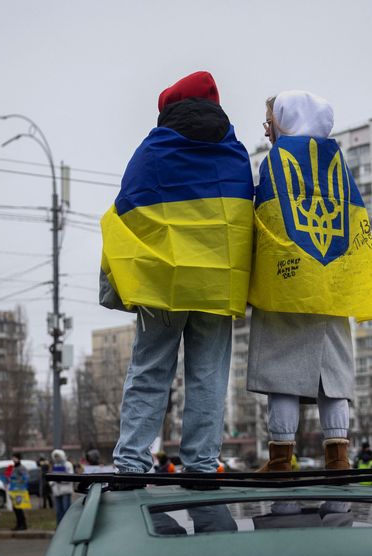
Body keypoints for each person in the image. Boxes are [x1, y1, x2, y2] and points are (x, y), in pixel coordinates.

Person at [104, 71, 255, 478]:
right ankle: (202, 464)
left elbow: (129, 209)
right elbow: (242, 219)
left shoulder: (153, 150)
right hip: (216, 284)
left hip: (163, 282)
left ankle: (133, 462)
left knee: (150, 370)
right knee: (208, 375)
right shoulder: (234, 151)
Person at [247, 91, 372, 473]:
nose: (266, 128)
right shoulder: (337, 160)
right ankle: (338, 457)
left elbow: (264, 219)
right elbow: (355, 223)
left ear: (286, 120)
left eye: (270, 120)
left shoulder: (276, 159)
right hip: (332, 285)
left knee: (282, 374)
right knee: (334, 375)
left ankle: (280, 458)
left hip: (286, 283)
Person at [49, 449, 74, 525]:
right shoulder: (54, 466)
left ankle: (67, 525)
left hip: (65, 490)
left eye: (58, 456)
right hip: (57, 491)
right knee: (58, 511)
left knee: (66, 509)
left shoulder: (68, 464)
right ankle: (59, 525)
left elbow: (71, 476)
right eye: (55, 457)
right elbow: (51, 476)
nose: (57, 458)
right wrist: (52, 482)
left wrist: (61, 480)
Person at [9, 454, 29, 531]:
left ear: (19, 459)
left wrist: (20, 484)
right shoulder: (14, 467)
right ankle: (18, 524)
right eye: (13, 458)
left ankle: (23, 525)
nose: (13, 459)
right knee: (15, 508)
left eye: (15, 458)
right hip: (13, 490)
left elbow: (26, 477)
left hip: (19, 491)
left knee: (19, 508)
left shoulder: (21, 468)